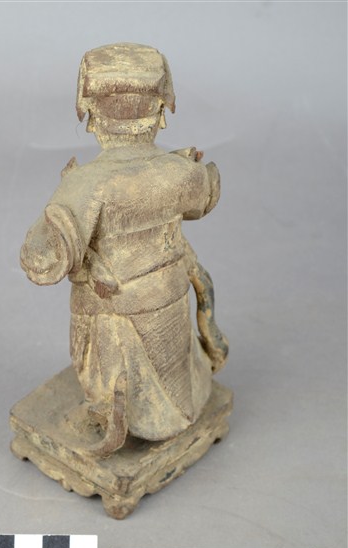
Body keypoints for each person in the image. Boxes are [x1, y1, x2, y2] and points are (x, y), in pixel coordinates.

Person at [20, 43, 228, 456]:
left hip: (112, 317)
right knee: (174, 379)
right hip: (170, 300)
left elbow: (41, 262)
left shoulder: (88, 186)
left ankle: (106, 415)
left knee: (112, 379)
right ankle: (167, 414)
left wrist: (58, 219)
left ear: (89, 114)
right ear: (162, 112)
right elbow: (206, 195)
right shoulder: (181, 172)